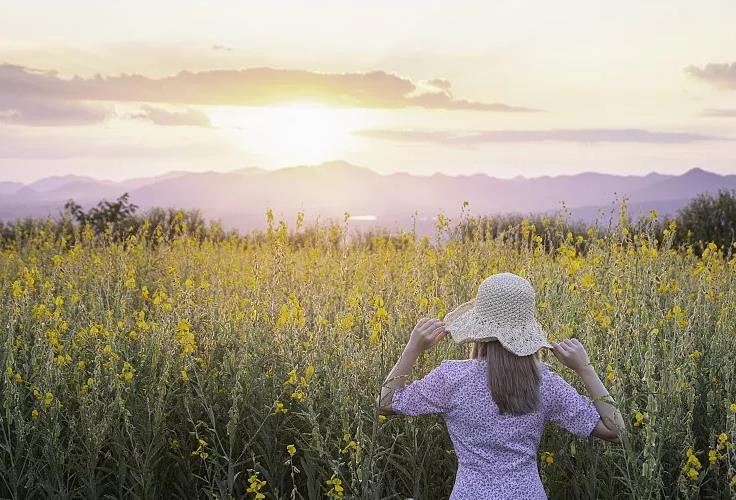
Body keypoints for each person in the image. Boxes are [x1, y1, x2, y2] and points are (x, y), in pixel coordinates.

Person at [376, 272, 625, 499]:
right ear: (526, 331)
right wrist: (584, 368)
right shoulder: (543, 382)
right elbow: (615, 431)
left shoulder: (452, 378)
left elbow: (385, 403)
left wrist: (413, 347)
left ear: (479, 329)